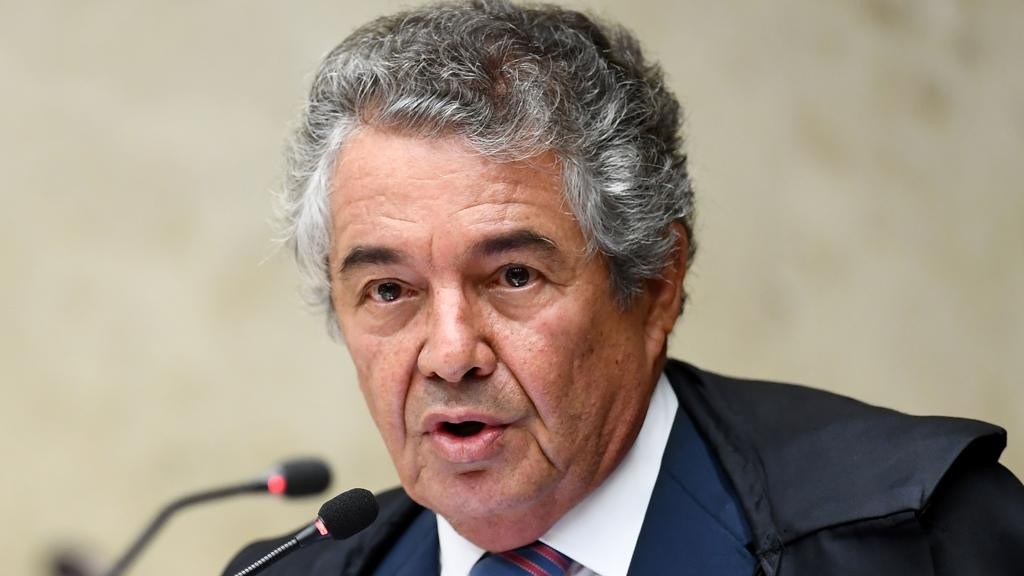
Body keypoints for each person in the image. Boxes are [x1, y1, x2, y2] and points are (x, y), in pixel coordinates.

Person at [224, 1, 1024, 574]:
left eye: (514, 276)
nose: (450, 354)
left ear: (656, 285)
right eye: (389, 291)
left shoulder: (920, 536)